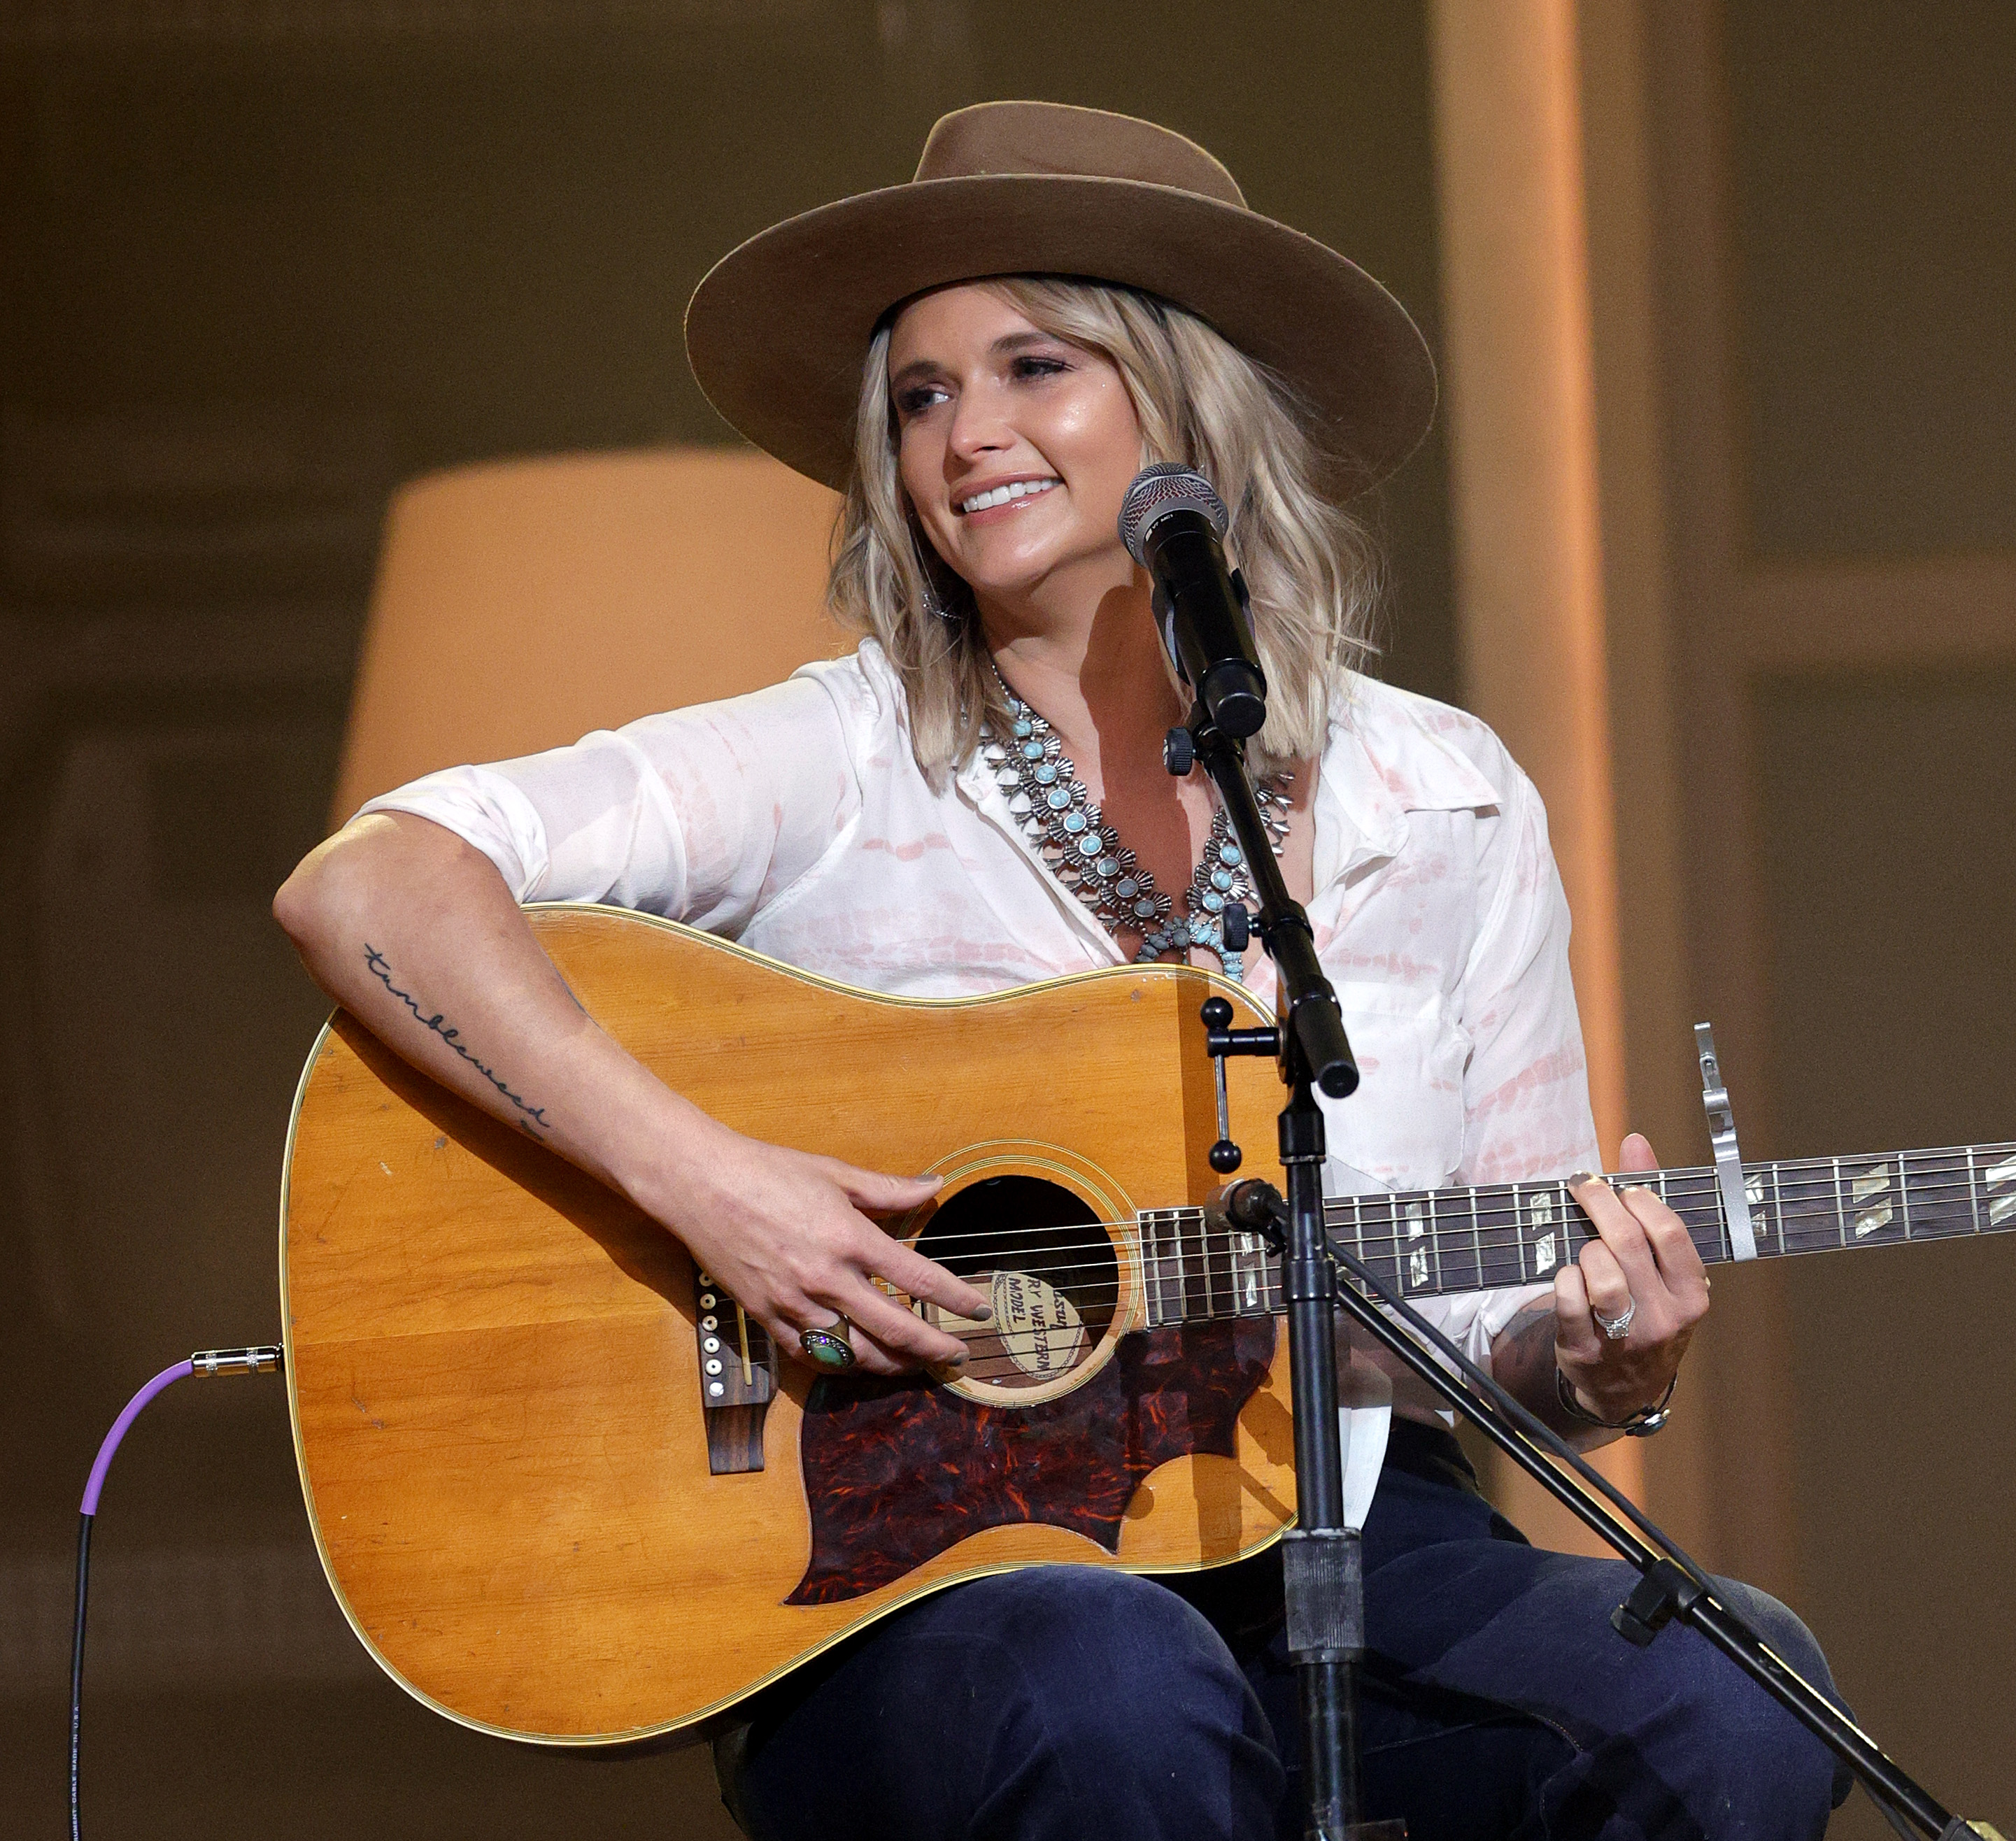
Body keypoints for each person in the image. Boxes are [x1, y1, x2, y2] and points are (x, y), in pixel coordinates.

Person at [276, 101, 1847, 1841]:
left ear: (1191, 408)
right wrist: (718, 1190)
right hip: (926, 1578)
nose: (968, 437)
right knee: (1113, 1682)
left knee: (1733, 1698)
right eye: (923, 394)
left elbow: (1497, 1341)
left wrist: (1601, 1359)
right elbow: (373, 885)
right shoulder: (846, 759)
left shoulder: (1446, 794)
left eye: (1036, 365)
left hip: (1337, 1523)